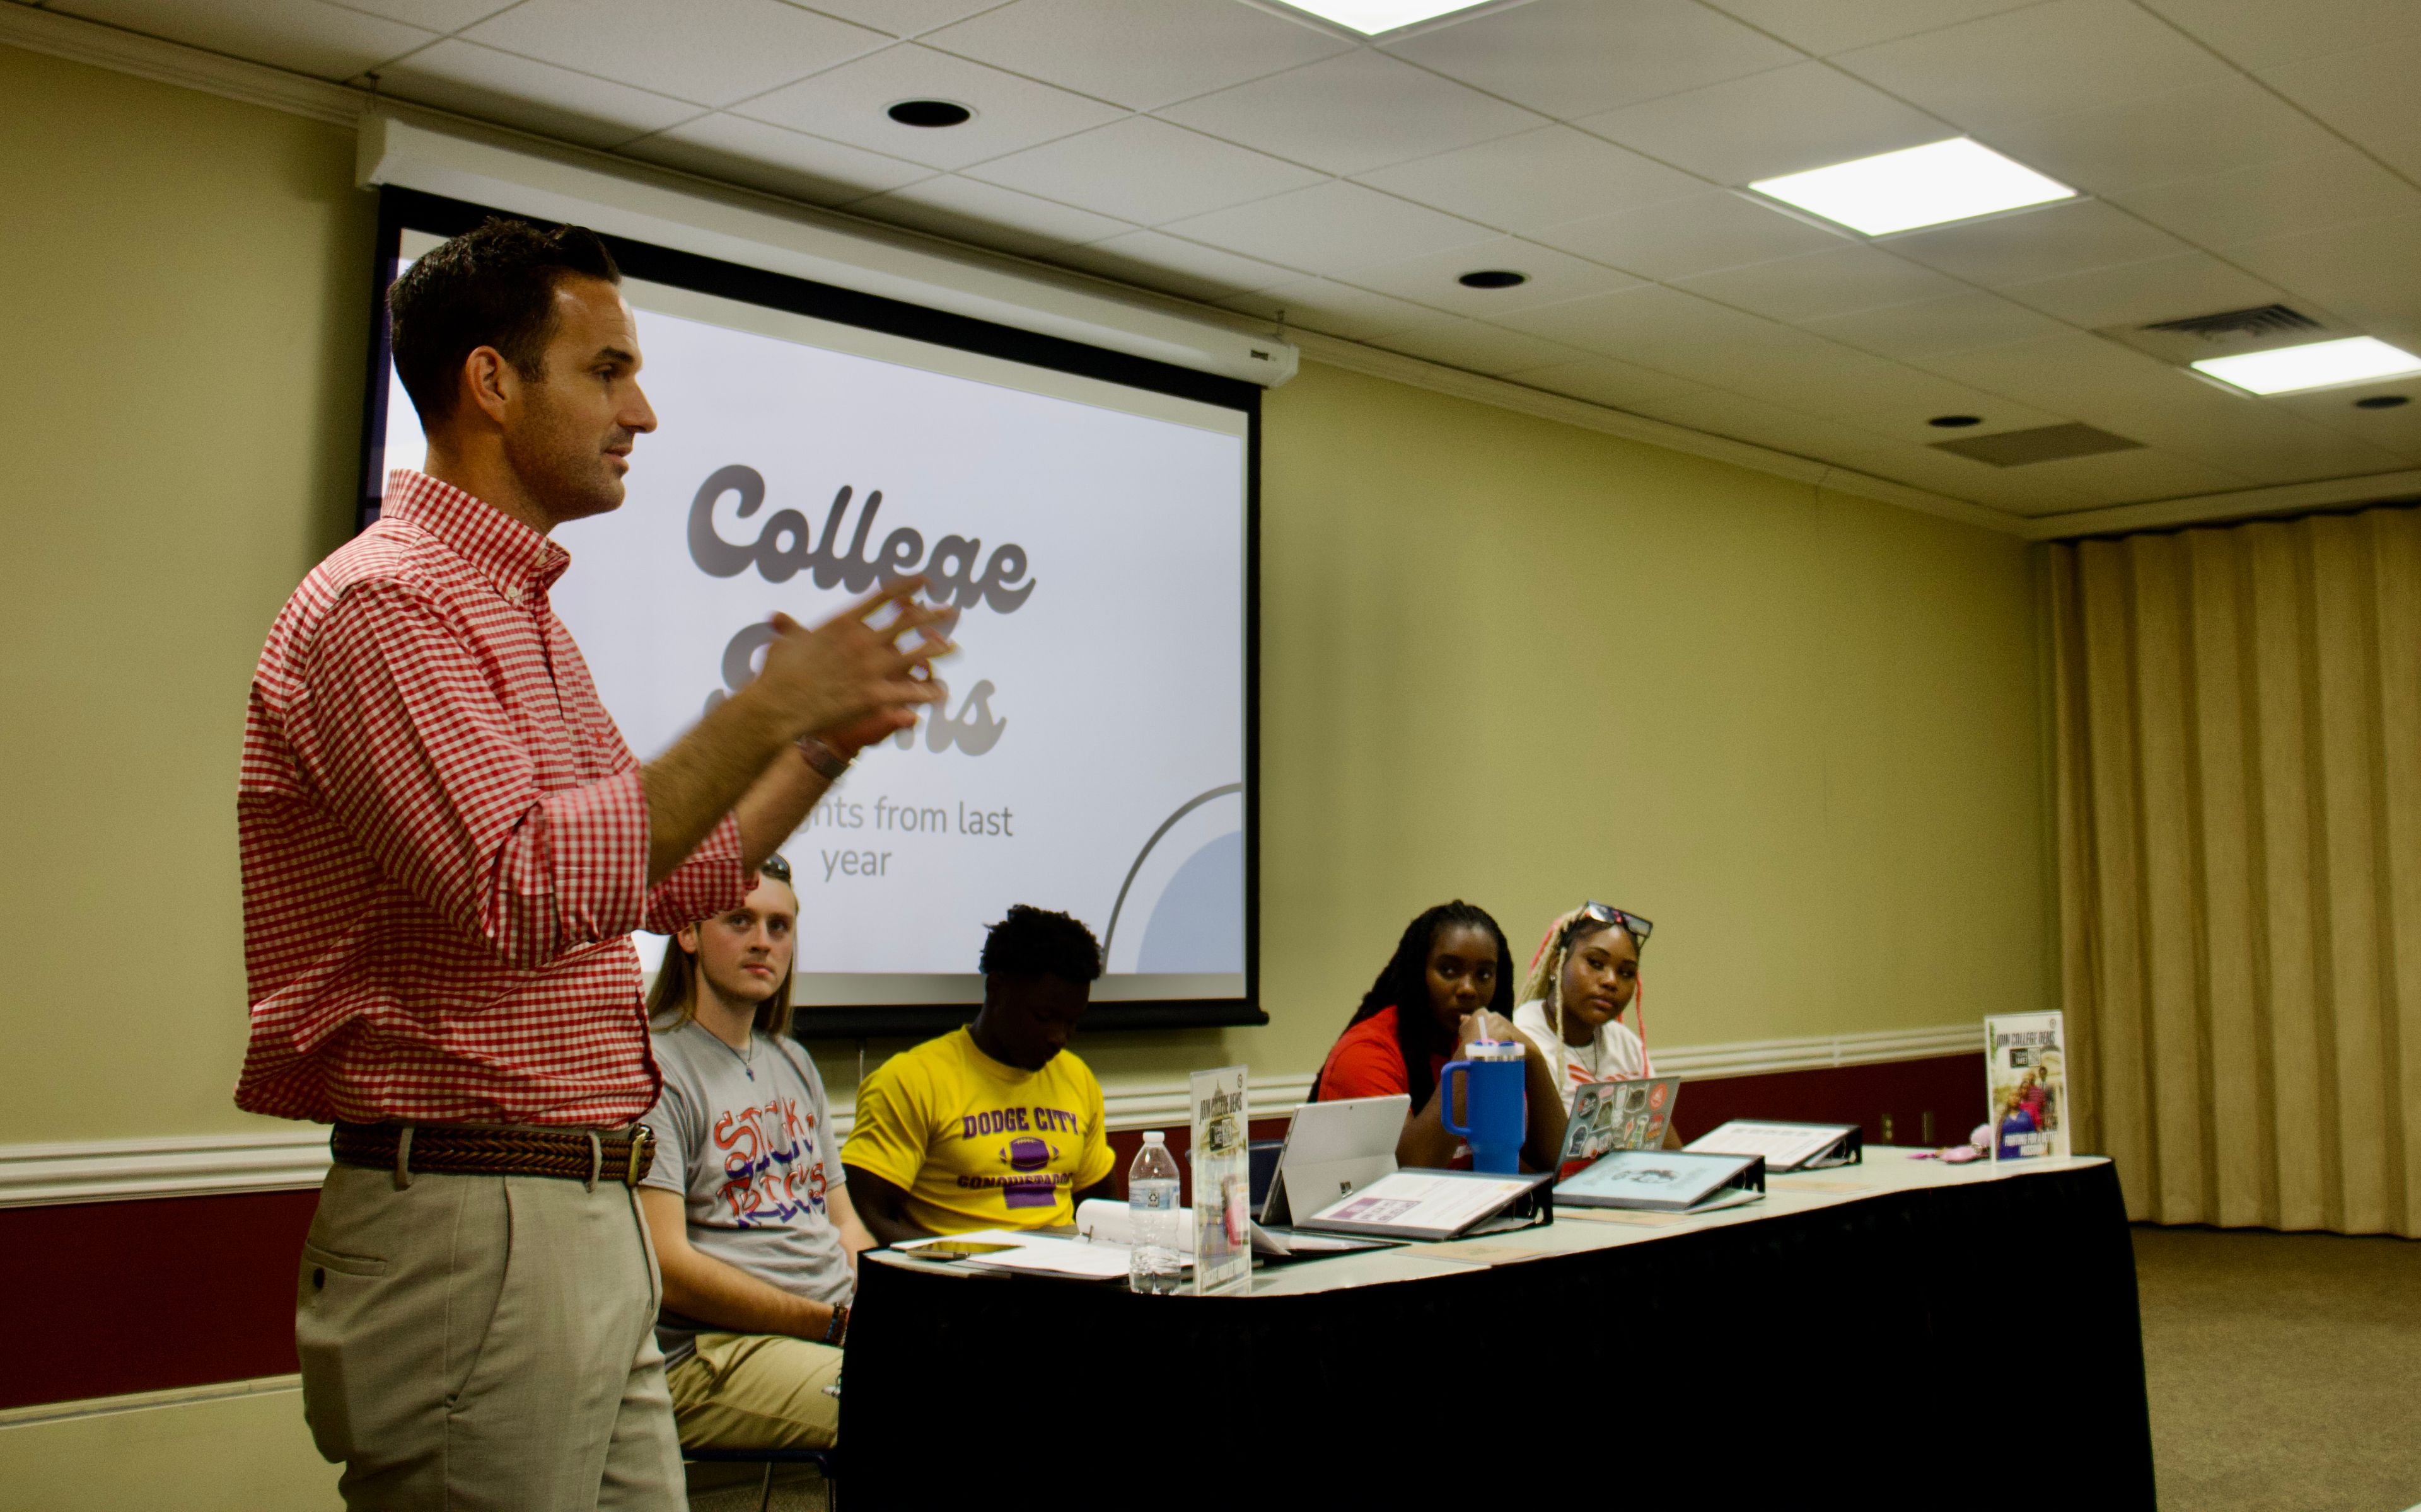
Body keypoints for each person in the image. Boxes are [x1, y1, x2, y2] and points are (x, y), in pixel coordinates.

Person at [240, 217, 953, 1509]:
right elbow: (523, 887)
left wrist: (816, 748)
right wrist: (757, 706)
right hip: (475, 1216)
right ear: (491, 382)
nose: (647, 411)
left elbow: (665, 882)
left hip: (579, 1209)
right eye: (608, 370)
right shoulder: (386, 602)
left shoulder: (522, 620)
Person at [637, 854, 872, 1455]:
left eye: (779, 926)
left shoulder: (791, 1060)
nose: (762, 942)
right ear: (687, 932)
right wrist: (826, 1322)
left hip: (830, 1329)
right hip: (715, 1351)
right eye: (739, 920)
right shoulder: (656, 1069)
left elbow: (842, 1221)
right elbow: (665, 1264)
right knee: (923, 1407)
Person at [842, 906, 1118, 1243]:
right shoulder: (910, 1081)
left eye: (1073, 1022)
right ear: (996, 988)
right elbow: (865, 1217)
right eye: (1044, 1017)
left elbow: (1103, 1212)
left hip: (1065, 1281)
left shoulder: (1077, 1077)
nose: (1059, 1037)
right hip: (961, 1283)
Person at [1310, 901, 1568, 1171]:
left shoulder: (1472, 1043)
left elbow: (1552, 1163)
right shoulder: (1365, 1053)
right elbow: (1410, 1173)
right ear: (1417, 973)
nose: (1468, 989)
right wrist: (1470, 1056)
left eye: (1484, 974)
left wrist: (1534, 1057)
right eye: (1448, 970)